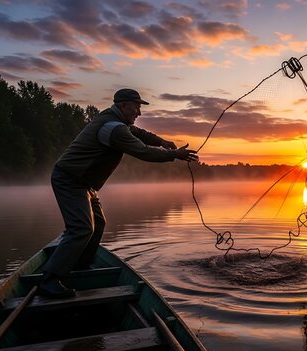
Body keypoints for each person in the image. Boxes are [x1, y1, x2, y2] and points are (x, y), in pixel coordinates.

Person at [39, 88, 198, 298]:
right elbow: (142, 151)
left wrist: (161, 142)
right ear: (124, 105)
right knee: (81, 228)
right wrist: (174, 154)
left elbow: (138, 133)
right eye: (137, 106)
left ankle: (80, 265)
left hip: (84, 182)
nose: (139, 112)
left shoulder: (116, 121)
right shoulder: (114, 128)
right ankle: (49, 279)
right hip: (70, 179)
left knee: (98, 223)